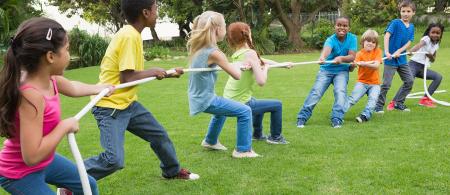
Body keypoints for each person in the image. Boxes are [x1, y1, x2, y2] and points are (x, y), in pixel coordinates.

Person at [83, 0, 199, 180]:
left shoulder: (132, 34)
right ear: (145, 12)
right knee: (114, 160)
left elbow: (134, 72)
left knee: (159, 136)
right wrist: (155, 71)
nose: (157, 14)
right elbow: (127, 78)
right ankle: (70, 178)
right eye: (155, 10)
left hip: (127, 104)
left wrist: (166, 73)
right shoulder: (129, 36)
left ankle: (172, 170)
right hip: (109, 107)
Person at [0, 17, 104, 195]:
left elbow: (73, 87)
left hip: (46, 161)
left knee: (89, 185)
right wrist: (63, 126)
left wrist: (100, 88)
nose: (69, 55)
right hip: (18, 173)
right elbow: (31, 156)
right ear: (50, 57)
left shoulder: (50, 79)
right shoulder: (31, 95)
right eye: (67, 50)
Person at [187, 11, 260, 158]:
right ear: (217, 29)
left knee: (221, 112)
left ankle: (210, 141)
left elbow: (226, 66)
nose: (226, 30)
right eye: (225, 26)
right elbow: (237, 75)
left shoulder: (200, 48)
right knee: (245, 111)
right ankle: (242, 150)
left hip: (198, 97)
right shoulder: (214, 53)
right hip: (205, 99)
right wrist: (241, 66)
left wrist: (238, 64)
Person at [223, 22, 289, 144]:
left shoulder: (238, 53)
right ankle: (276, 137)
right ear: (248, 35)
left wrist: (282, 65)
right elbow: (261, 81)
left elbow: (261, 61)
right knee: (277, 105)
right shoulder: (250, 53)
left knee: (257, 103)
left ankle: (257, 135)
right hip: (240, 101)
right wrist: (267, 69)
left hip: (230, 97)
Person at [296, 16, 357, 128]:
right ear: (335, 26)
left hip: (342, 71)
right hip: (326, 70)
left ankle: (337, 119)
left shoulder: (352, 38)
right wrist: (322, 57)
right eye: (339, 25)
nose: (341, 28)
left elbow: (352, 56)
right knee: (316, 92)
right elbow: (326, 51)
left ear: (349, 28)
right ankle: (302, 117)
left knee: (340, 92)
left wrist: (341, 58)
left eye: (345, 26)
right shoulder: (330, 39)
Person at [375, 0, 416, 113]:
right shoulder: (395, 23)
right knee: (386, 84)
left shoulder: (412, 27)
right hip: (390, 59)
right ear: (400, 12)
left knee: (409, 81)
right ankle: (378, 106)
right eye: (403, 11)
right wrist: (387, 52)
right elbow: (387, 36)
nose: (405, 14)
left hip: (402, 59)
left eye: (408, 11)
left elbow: (409, 42)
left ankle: (398, 103)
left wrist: (400, 50)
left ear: (413, 13)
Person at [345, 29, 383, 123]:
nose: (371, 44)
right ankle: (338, 113)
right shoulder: (359, 54)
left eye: (373, 42)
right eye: (368, 41)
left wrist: (364, 64)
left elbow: (376, 66)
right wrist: (353, 65)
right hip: (362, 82)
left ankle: (365, 115)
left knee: (373, 100)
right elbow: (352, 69)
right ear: (363, 42)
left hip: (375, 83)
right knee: (353, 99)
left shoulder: (377, 51)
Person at [408, 23, 444, 108]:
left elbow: (433, 59)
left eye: (438, 33)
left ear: (441, 34)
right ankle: (395, 102)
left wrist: (430, 56)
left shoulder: (436, 45)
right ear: (429, 32)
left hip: (422, 69)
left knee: (438, 77)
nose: (435, 34)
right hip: (413, 65)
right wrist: (412, 51)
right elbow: (419, 45)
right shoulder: (426, 38)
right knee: (409, 82)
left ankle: (425, 99)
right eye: (433, 32)